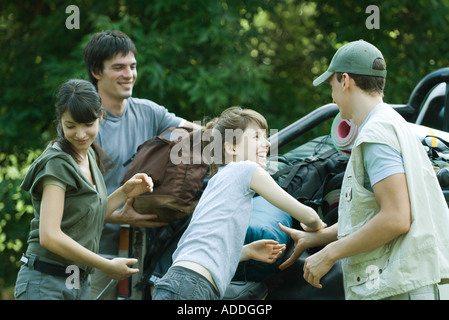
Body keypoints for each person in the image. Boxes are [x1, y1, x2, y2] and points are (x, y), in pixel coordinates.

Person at [279, 39, 449, 300]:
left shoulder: (377, 135)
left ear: (345, 80)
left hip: (402, 289)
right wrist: (318, 237)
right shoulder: (395, 124)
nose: (332, 96)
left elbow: (395, 218)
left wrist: (330, 253)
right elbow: (374, 213)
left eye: (332, 85)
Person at [152, 107, 326, 300]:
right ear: (231, 147)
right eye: (257, 137)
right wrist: (318, 226)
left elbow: (196, 248)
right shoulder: (246, 169)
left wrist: (246, 251)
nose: (267, 143)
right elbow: (308, 216)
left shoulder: (216, 182)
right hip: (193, 288)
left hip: (175, 282)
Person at [14, 79, 154, 300]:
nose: (80, 134)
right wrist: (106, 265)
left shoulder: (87, 155)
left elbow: (90, 216)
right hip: (46, 282)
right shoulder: (57, 163)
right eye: (71, 126)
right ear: (60, 122)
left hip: (77, 282)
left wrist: (125, 192)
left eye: (87, 124)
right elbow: (49, 236)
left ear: (100, 117)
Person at [83, 30, 198, 298]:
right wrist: (116, 214)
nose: (129, 74)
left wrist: (245, 139)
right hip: (92, 254)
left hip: (142, 252)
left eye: (132, 66)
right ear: (96, 72)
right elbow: (69, 204)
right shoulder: (83, 125)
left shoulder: (148, 111)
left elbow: (201, 134)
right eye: (118, 67)